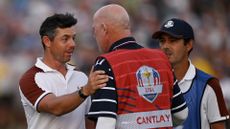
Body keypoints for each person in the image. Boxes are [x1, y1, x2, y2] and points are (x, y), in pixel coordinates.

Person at [87, 4, 188, 129]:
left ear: (104, 28)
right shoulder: (162, 59)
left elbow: (106, 123)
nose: (94, 35)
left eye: (94, 30)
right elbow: (182, 114)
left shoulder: (106, 63)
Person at [19, 13, 109, 129]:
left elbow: (89, 122)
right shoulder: (30, 79)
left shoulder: (82, 77)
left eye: (73, 38)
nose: (72, 44)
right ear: (47, 41)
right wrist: (85, 90)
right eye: (65, 39)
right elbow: (56, 108)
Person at [152, 18, 230, 129]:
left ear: (188, 45)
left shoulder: (210, 85)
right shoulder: (151, 85)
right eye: (162, 41)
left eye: (172, 40)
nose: (165, 46)